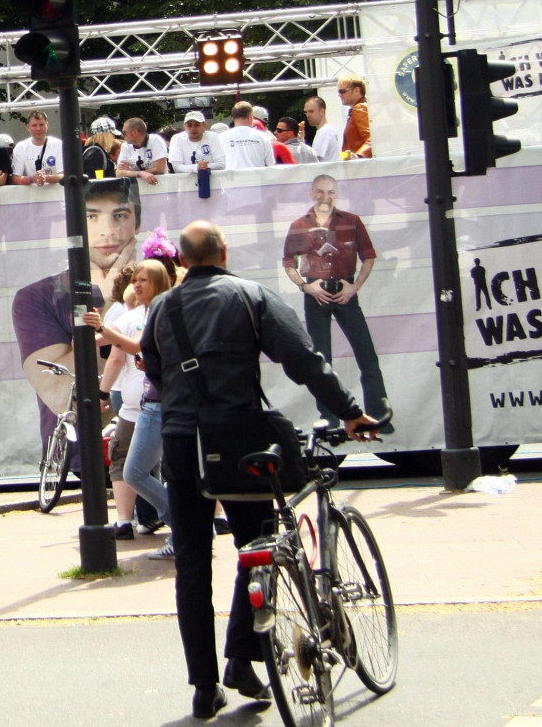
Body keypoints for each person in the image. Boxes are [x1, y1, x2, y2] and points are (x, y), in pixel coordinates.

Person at [142, 220, 377, 720]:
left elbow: (154, 367)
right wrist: (349, 411)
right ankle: (241, 656)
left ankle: (204, 686)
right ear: (224, 252)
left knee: (191, 563)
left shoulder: (162, 306)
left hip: (181, 440)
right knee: (259, 546)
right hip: (239, 439)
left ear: (182, 261)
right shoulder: (250, 296)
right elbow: (303, 360)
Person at [11, 178, 138, 445]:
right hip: (76, 450)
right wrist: (115, 294)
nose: (107, 231)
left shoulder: (159, 288)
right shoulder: (36, 297)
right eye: (91, 216)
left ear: (136, 222)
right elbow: (63, 394)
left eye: (119, 215)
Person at [281, 174, 391, 422]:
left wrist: (355, 287)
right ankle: (329, 419)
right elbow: (289, 262)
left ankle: (378, 416)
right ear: (312, 193)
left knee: (366, 354)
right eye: (320, 191)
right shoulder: (299, 225)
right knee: (321, 361)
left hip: (345, 294)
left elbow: (369, 256)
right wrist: (305, 287)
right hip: (316, 296)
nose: (325, 197)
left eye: (330, 192)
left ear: (336, 194)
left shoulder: (352, 221)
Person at [85, 261, 174, 549]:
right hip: (150, 402)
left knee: (139, 470)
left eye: (143, 280)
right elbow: (136, 348)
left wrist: (101, 327)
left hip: (166, 404)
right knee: (135, 470)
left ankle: (185, 522)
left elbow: (134, 346)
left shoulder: (162, 308)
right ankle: (184, 522)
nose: (136, 285)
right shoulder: (147, 311)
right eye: (134, 280)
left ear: (159, 282)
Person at [11, 110, 64, 186]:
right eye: (34, 125)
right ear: (28, 127)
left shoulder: (58, 145)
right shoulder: (20, 148)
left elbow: (63, 175)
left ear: (47, 125)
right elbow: (15, 179)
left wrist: (46, 178)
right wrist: (32, 179)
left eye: (41, 125)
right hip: (30, 193)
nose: (38, 129)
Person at [220, 102, 273, 170]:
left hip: (231, 176)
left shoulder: (221, 137)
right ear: (250, 116)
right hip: (256, 176)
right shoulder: (264, 137)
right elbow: (270, 164)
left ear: (233, 117)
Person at [117, 117, 168, 185]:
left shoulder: (156, 141)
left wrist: (130, 172)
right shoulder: (125, 146)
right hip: (136, 187)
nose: (122, 135)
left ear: (135, 132)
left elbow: (159, 169)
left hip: (159, 185)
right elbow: (119, 173)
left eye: (124, 133)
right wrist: (140, 174)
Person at [338, 74, 373, 158]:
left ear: (357, 90)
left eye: (342, 91)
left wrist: (358, 156)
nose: (339, 95)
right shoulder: (359, 108)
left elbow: (372, 139)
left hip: (361, 164)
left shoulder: (360, 108)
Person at [303, 95, 342, 164]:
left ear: (322, 111)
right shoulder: (327, 130)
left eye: (311, 111)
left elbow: (314, 159)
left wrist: (301, 142)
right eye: (306, 112)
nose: (308, 115)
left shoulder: (325, 131)